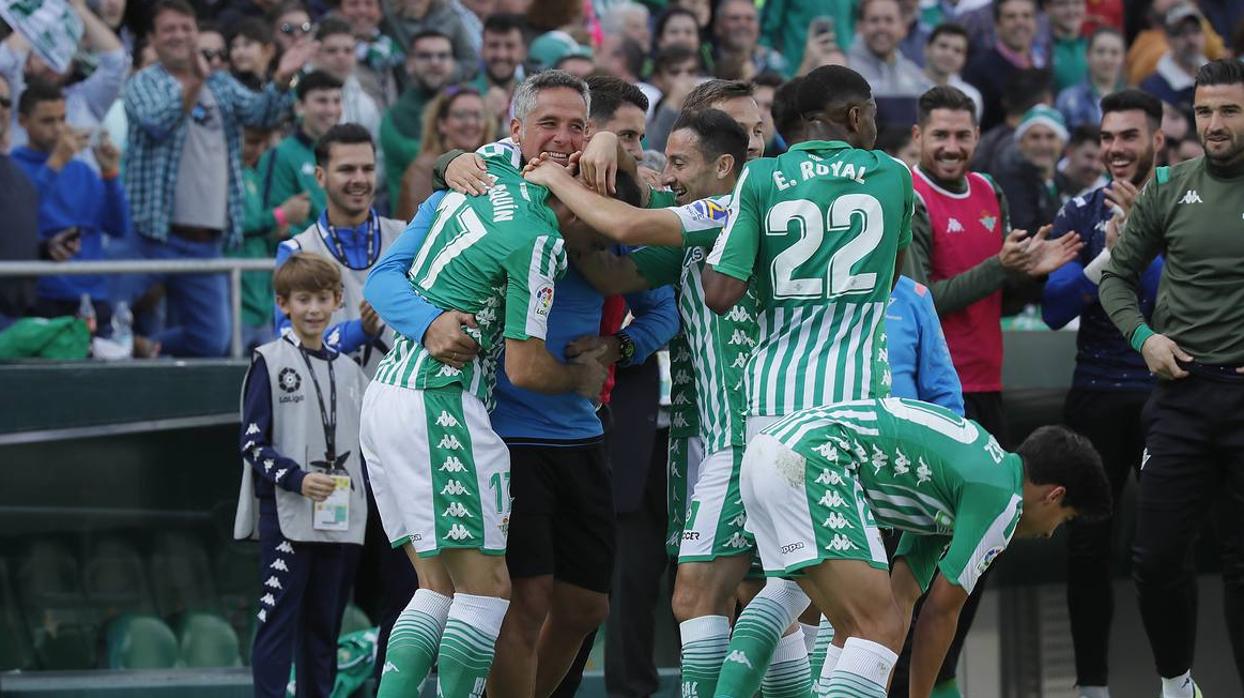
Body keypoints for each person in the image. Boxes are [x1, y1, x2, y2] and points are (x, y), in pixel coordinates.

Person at [357, 71, 616, 698]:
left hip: (389, 394)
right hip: (442, 398)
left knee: (437, 589)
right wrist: (582, 376)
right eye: (547, 125)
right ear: (516, 128)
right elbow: (524, 367)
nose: (562, 139)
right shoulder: (533, 234)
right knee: (488, 592)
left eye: (576, 126)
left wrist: (608, 141)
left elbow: (382, 276)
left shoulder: (483, 169)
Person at [523, 107, 775, 698]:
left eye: (680, 163)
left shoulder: (730, 209)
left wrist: (555, 179)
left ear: (724, 166)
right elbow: (616, 276)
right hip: (711, 434)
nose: (668, 175)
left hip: (747, 431)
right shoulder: (692, 226)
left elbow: (631, 228)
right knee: (768, 596)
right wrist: (570, 226)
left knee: (698, 597)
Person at [699, 65, 913, 698]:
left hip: (772, 409)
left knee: (790, 577)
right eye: (871, 111)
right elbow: (897, 272)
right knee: (852, 601)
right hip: (854, 409)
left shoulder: (760, 178)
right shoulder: (894, 176)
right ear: (852, 117)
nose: (876, 123)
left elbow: (718, 293)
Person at [735, 397, 1111, 698]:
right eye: (1065, 519)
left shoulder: (971, 467)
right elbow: (940, 614)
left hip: (769, 449)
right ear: (1054, 495)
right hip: (812, 459)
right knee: (874, 626)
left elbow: (905, 598)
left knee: (834, 612)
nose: (1050, 534)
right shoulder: (1003, 500)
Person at [902, 85, 1081, 697]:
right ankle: (901, 681)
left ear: (977, 138)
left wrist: (1031, 274)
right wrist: (1000, 270)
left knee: (981, 551)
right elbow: (924, 296)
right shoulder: (910, 197)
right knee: (923, 553)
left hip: (989, 386)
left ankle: (942, 679)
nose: (952, 147)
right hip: (932, 399)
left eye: (962, 135)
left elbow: (996, 291)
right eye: (940, 135)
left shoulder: (990, 193)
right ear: (919, 138)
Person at [1099, 59, 1244, 698]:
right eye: (1205, 110)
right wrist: (1144, 338)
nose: (1214, 124)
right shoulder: (1168, 185)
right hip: (1183, 394)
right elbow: (1114, 278)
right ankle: (1176, 684)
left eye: (1230, 111)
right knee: (1153, 561)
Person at [1040, 88, 1166, 698]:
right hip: (1093, 392)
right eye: (1108, 137)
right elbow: (1054, 306)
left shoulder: (1188, 204)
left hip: (1168, 393)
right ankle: (1091, 687)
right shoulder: (1082, 208)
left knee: (1169, 550)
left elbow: (1184, 297)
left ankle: (1178, 680)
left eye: (1129, 137)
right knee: (1087, 546)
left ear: (1157, 141)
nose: (1115, 149)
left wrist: (1142, 243)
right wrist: (1107, 258)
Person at [122, 0, 312, 357]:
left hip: (206, 240)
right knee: (108, 315)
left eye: (186, 28)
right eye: (169, 29)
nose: (179, 36)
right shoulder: (142, 83)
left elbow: (262, 113)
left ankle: (149, 348)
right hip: (151, 233)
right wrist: (194, 83)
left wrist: (281, 78)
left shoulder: (221, 85)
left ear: (196, 33)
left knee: (212, 341)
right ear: (153, 38)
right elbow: (157, 122)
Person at [233, 252, 370, 698]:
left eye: (322, 299)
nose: (313, 309)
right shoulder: (268, 361)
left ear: (338, 302)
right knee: (277, 623)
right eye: (302, 299)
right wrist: (296, 479)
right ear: (283, 304)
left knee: (324, 629)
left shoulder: (351, 371)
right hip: (287, 513)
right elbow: (252, 444)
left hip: (339, 514)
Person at [275, 124, 404, 375]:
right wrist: (360, 331)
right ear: (320, 177)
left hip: (397, 407)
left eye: (367, 169)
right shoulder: (297, 251)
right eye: (346, 170)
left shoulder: (404, 237)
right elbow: (289, 343)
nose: (359, 179)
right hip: (329, 405)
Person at [13, 81, 130, 328]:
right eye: (47, 121)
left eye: (62, 119)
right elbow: (21, 214)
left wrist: (110, 174)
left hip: (92, 297)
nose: (58, 129)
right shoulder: (12, 168)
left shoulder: (83, 170)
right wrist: (55, 164)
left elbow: (119, 227)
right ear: (23, 122)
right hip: (40, 297)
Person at [0, 0, 126, 158]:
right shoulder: (16, 99)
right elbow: (5, 61)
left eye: (60, 48)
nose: (49, 61)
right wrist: (46, 10)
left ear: (74, 60)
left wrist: (78, 8)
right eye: (41, 51)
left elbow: (116, 61)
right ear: (27, 62)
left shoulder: (87, 100)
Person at [229, 126, 310, 352]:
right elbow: (236, 226)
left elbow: (257, 228)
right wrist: (281, 215)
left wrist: (277, 228)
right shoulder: (225, 176)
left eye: (262, 144)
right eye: (252, 142)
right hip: (237, 302)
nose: (258, 151)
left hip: (262, 304)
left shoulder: (252, 174)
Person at [261, 71, 344, 231]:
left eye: (336, 101)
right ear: (299, 107)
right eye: (322, 101)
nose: (331, 109)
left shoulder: (344, 154)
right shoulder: (281, 155)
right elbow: (275, 228)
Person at [394, 87, 494, 221]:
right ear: (442, 124)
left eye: (478, 115)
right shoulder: (423, 170)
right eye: (460, 115)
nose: (471, 123)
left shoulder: (495, 162)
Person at [379, 30, 455, 204]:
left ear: (452, 63)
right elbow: (433, 164)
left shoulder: (463, 104)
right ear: (410, 63)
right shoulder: (397, 117)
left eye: (442, 56)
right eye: (425, 56)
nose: (435, 62)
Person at [962, 0, 1045, 130]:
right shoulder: (979, 68)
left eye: (1026, 16)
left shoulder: (1042, 62)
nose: (1020, 22)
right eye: (1011, 17)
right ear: (997, 25)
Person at [0, 73, 42, 329]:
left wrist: (47, 250)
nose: (1, 109)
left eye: (5, 102)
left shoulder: (20, 176)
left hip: (16, 317)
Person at [993, 104, 1069, 233]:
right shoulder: (1010, 184)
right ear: (1021, 143)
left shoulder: (1061, 181)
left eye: (1050, 137)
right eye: (1035, 137)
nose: (1043, 145)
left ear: (1062, 143)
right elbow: (1025, 234)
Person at [314, 18, 383, 143]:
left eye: (348, 51)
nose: (341, 57)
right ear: (316, 54)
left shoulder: (366, 104)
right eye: (332, 51)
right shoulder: (297, 94)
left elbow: (376, 153)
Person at [848, 0, 933, 97]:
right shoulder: (844, 70)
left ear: (904, 28)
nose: (882, 27)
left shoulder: (915, 76)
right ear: (860, 26)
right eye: (874, 20)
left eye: (889, 20)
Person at [1139, 3, 1210, 117]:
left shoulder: (1218, 79)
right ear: (1168, 39)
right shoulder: (1153, 88)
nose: (1191, 40)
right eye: (1182, 33)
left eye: (1196, 31)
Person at [381, 0, 476, 82]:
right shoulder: (388, 18)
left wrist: (445, 70)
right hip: (406, 93)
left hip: (445, 92)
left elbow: (471, 62)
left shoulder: (448, 18)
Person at [1055, 28, 1125, 130]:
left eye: (1114, 53)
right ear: (1087, 55)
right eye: (1100, 51)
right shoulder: (1067, 99)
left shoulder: (1133, 101)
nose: (1107, 59)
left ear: (1123, 58)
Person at [471, 13, 527, 123]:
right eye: (493, 45)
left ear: (523, 52)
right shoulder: (462, 96)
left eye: (510, 46)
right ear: (481, 50)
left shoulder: (536, 98)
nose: (501, 55)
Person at [921, 23, 983, 121]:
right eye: (943, 46)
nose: (949, 54)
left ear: (964, 59)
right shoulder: (906, 87)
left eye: (957, 50)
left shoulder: (971, 96)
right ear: (927, 49)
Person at [713, 0, 789, 79]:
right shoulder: (704, 61)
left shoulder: (774, 63)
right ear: (718, 26)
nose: (743, 24)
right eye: (735, 18)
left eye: (750, 19)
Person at [1047, 0, 1088, 93]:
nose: (1071, 10)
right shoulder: (1040, 50)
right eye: (1062, 3)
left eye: (1077, 3)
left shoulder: (1095, 47)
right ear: (1048, 8)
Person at [1056, 124, 1106, 199]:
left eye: (1102, 160)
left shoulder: (1106, 195)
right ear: (1070, 152)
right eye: (1089, 157)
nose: (1095, 166)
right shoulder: (1048, 183)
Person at [228, 18, 276, 88]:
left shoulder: (278, 83)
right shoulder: (228, 85)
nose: (239, 52)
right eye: (234, 46)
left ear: (268, 49)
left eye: (247, 44)